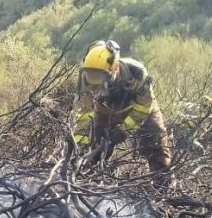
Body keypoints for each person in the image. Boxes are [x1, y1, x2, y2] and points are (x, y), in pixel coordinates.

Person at [73, 40, 171, 179]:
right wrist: (79, 142)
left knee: (156, 145)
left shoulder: (136, 73)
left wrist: (125, 130)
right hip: (105, 110)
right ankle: (91, 182)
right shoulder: (86, 77)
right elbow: (84, 112)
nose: (97, 84)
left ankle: (162, 186)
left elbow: (143, 107)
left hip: (139, 108)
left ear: (115, 67)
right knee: (97, 149)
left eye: (101, 78)